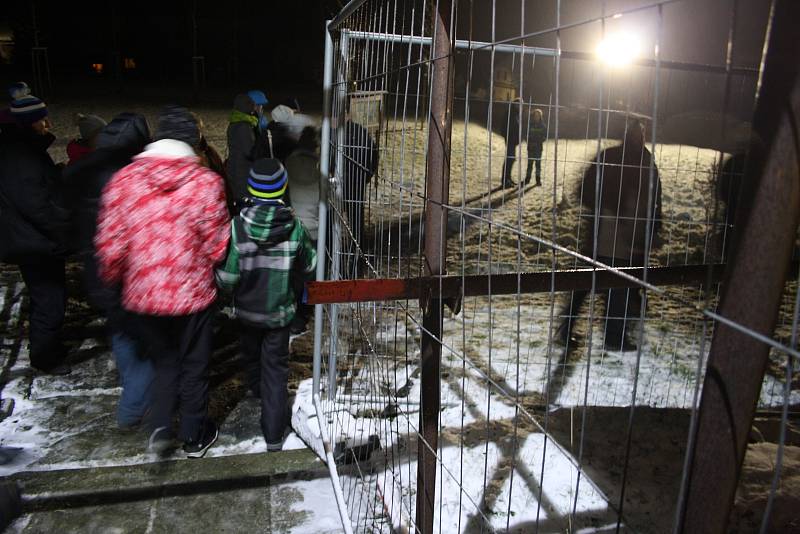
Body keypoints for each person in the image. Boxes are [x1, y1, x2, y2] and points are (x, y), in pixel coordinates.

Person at [95, 105, 230, 457]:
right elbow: (217, 246)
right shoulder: (206, 182)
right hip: (193, 296)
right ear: (192, 141)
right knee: (194, 365)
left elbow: (110, 244)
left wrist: (114, 280)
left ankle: (159, 428)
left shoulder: (124, 180)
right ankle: (193, 434)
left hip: (142, 296)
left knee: (164, 362)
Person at [216, 157, 317, 451]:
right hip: (279, 314)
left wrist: (219, 280)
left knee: (251, 355)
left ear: (251, 189)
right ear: (282, 189)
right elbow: (310, 265)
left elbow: (230, 276)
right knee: (276, 368)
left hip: (247, 313)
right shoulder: (295, 227)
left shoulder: (237, 228)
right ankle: (273, 434)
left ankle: (256, 389)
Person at [62, 112, 154, 427]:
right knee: (147, 340)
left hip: (96, 268)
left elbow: (64, 212)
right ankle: (132, 411)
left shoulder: (81, 170)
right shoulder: (134, 174)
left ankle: (133, 387)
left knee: (121, 329)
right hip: (131, 270)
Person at [555, 119, 662, 352]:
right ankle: (612, 337)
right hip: (623, 235)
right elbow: (655, 201)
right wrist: (651, 225)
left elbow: (583, 190)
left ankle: (566, 330)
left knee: (587, 282)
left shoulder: (614, 157)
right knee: (616, 283)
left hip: (608, 233)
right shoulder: (643, 162)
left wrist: (604, 207)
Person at [0, 93, 71, 375]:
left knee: (47, 295)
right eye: (42, 119)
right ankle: (45, 357)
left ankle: (48, 345)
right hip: (33, 240)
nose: (47, 124)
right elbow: (35, 204)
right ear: (30, 123)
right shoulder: (21, 155)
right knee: (50, 298)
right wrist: (65, 228)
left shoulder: (18, 148)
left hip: (29, 236)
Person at [286, 126, 321, 334]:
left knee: (292, 273)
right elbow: (330, 200)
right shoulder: (320, 169)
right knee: (310, 274)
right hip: (313, 230)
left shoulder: (288, 164)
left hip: (292, 227)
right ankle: (303, 315)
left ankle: (290, 312)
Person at [225, 93, 259, 209]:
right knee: (243, 200)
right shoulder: (244, 127)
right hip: (242, 170)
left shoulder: (234, 122)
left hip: (234, 166)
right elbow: (249, 151)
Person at [500, 98, 523, 188]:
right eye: (518, 104)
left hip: (513, 141)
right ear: (514, 104)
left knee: (511, 159)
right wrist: (508, 137)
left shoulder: (517, 114)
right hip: (510, 140)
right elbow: (504, 127)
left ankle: (508, 178)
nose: (520, 106)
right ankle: (505, 181)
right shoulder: (510, 113)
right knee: (509, 159)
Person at [525, 108, 546, 186]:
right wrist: (530, 142)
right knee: (529, 164)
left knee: (538, 164)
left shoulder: (543, 126)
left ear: (540, 116)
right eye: (535, 115)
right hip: (530, 147)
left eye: (538, 116)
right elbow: (526, 135)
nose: (536, 117)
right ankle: (527, 178)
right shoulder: (530, 125)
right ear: (533, 116)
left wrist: (538, 142)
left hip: (538, 148)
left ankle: (538, 179)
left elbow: (544, 137)